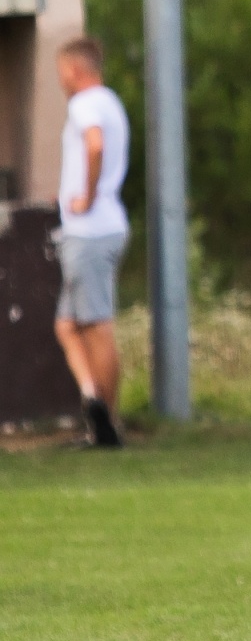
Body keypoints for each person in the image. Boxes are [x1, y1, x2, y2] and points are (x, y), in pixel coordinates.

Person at [52, 37, 129, 449]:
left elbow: (94, 146)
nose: (60, 78)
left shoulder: (84, 104)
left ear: (74, 71)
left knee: (97, 325)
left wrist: (87, 193)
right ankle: (92, 401)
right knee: (67, 325)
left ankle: (108, 425)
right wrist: (67, 194)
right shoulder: (110, 101)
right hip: (100, 227)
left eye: (61, 71)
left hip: (90, 231)